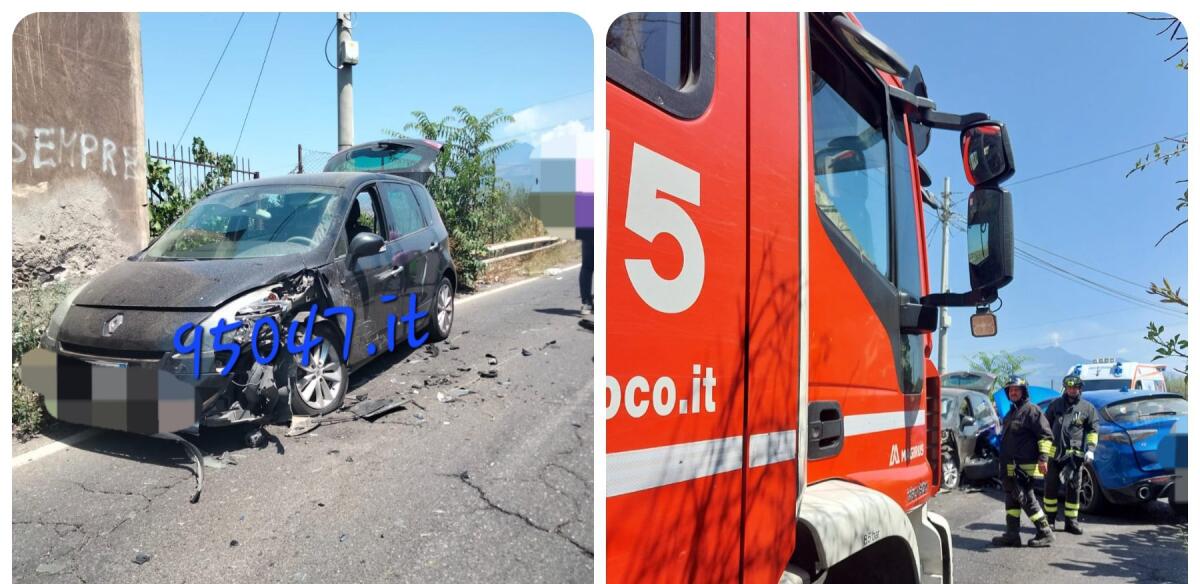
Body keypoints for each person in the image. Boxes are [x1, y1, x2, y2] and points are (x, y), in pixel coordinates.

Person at [992, 375, 1056, 547]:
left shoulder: (1032, 410)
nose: (1013, 392)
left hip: (1023, 466)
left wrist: (1043, 459)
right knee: (1011, 498)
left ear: (1023, 391)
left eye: (1016, 389)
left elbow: (1046, 436)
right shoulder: (1012, 412)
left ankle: (1045, 532)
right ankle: (1012, 534)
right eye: (1010, 390)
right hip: (1009, 466)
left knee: (1026, 498)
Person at [1042, 374, 1099, 534]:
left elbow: (1093, 430)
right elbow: (1045, 428)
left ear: (1080, 388)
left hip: (1074, 458)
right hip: (1055, 456)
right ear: (1065, 388)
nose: (1072, 390)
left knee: (1074, 489)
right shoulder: (1055, 405)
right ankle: (1050, 521)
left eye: (1075, 387)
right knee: (1050, 489)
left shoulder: (1087, 408)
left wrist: (1091, 449)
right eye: (1069, 387)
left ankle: (1071, 522)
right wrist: (1043, 454)